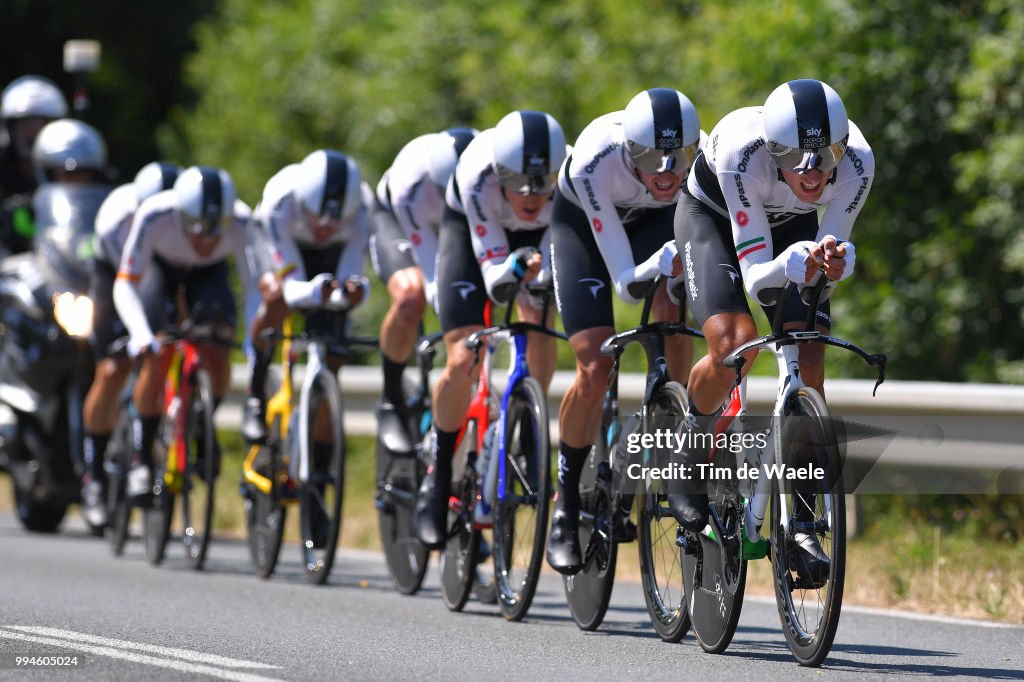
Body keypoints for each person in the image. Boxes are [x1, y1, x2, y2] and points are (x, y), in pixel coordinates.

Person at [673, 78, 874, 583]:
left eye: (825, 155)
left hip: (791, 229)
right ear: (772, 147)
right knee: (736, 344)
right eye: (794, 156)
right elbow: (754, 270)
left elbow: (837, 247)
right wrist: (790, 261)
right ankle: (690, 447)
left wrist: (834, 259)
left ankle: (802, 519)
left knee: (809, 360)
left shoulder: (858, 161)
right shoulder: (743, 154)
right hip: (716, 222)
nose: (811, 172)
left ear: (842, 147)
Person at [544, 88, 705, 574]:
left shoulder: (699, 164)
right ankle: (566, 504)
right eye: (650, 157)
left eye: (677, 158)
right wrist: (656, 266)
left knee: (675, 308)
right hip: (587, 231)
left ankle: (672, 418)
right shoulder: (595, 160)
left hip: (657, 222)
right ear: (627, 151)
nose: (665, 171)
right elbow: (625, 284)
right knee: (595, 367)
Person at [413, 110, 567, 548]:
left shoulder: (569, 177)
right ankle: (439, 476)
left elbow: (560, 254)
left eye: (542, 182)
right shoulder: (476, 174)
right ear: (500, 173)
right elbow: (494, 277)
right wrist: (516, 269)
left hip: (539, 243)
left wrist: (539, 276)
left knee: (539, 320)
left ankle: (527, 427)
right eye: (519, 182)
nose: (532, 194)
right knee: (464, 354)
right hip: (473, 239)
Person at [113, 165, 256, 501]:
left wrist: (250, 340)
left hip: (209, 276)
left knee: (219, 345)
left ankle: (204, 423)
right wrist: (140, 333)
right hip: (162, 271)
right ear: (181, 215)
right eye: (196, 230)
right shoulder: (155, 215)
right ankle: (142, 457)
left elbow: (253, 290)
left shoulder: (242, 221)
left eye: (214, 231)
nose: (205, 240)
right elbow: (126, 282)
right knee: (158, 352)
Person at [240, 149, 370, 447]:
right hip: (280, 249)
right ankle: (255, 392)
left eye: (335, 221)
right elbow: (290, 285)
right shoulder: (280, 201)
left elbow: (350, 275)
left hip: (329, 255)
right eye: (317, 217)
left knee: (334, 347)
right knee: (275, 298)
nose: (325, 227)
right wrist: (314, 291)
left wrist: (350, 292)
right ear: (302, 203)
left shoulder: (363, 206)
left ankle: (321, 458)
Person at [79, 162, 181, 527]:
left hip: (161, 270)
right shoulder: (114, 218)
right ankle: (93, 476)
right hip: (114, 272)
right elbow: (125, 279)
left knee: (167, 342)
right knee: (110, 368)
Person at [370, 128, 477, 454]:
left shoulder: (486, 170)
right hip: (400, 220)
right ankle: (392, 397)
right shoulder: (411, 184)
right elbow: (432, 273)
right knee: (411, 296)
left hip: (460, 221)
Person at [0, 76, 69, 254]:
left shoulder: (71, 171)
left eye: (39, 124)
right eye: (23, 124)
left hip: (59, 264)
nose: (31, 132)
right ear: (9, 130)